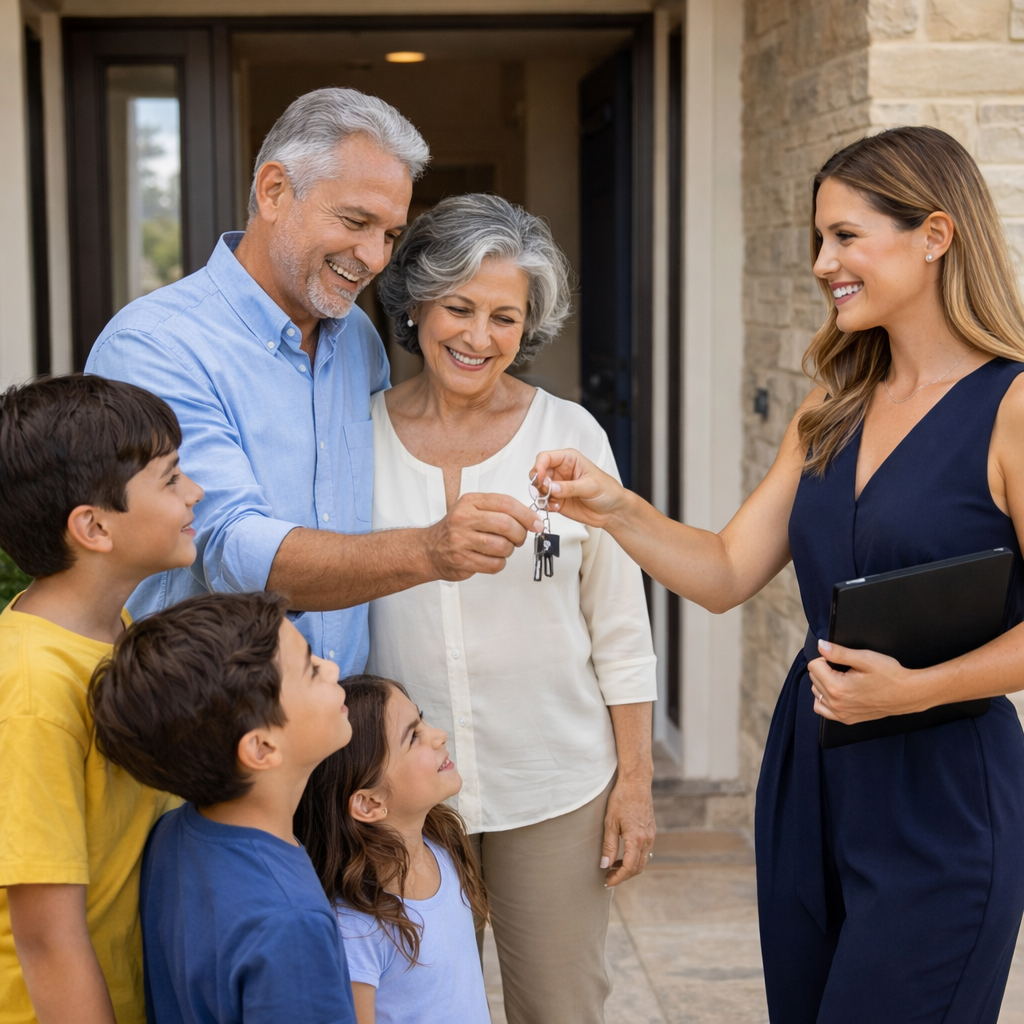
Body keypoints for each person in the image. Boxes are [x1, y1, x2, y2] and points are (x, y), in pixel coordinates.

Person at [532, 125, 1024, 1024]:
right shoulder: (830, 406)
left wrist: (918, 690)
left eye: (844, 236)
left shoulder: (1013, 407)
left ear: (936, 235)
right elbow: (724, 571)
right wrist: (614, 507)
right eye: (817, 239)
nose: (821, 262)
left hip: (944, 793)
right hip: (811, 775)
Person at [86, 87, 541, 671]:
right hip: (212, 729)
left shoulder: (357, 340)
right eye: (356, 221)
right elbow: (229, 549)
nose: (375, 257)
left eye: (390, 235)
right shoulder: (156, 346)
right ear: (273, 190)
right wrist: (432, 549)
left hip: (343, 723)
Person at [366, 192, 658, 1024]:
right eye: (458, 307)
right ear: (416, 303)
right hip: (400, 798)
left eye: (505, 316)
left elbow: (620, 627)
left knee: (561, 1008)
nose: (478, 336)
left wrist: (634, 783)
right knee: (413, 1008)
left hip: (552, 785)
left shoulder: (569, 435)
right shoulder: (357, 435)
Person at [0, 374, 202, 1024]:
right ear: (93, 527)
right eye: (171, 479)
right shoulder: (31, 687)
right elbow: (45, 934)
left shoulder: (119, 635)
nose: (195, 492)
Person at [89, 591, 356, 1024]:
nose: (333, 667)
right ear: (262, 747)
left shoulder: (173, 836)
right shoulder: (291, 924)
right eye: (310, 669)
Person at [295, 675, 490, 1024]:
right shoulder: (357, 929)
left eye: (423, 719)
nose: (438, 735)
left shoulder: (442, 844)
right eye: (413, 736)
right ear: (369, 803)